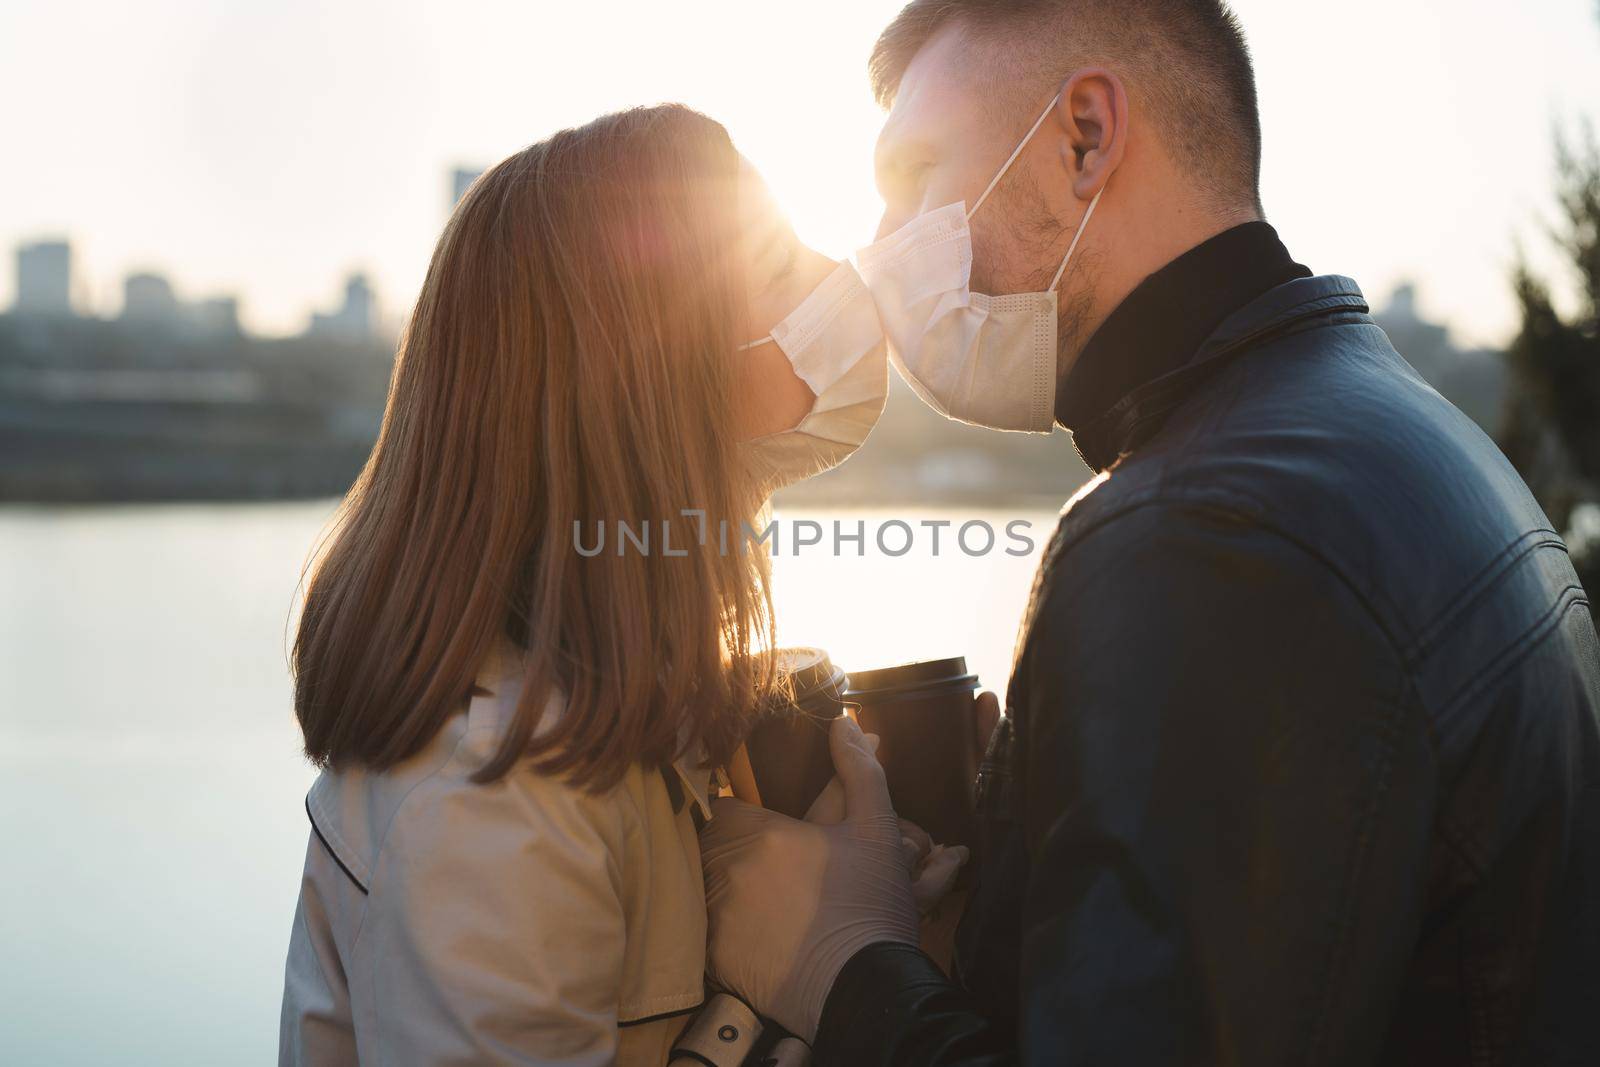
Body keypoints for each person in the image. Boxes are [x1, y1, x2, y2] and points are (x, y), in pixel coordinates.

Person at [698, 2, 1600, 1065]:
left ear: (1085, 135)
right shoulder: (1386, 419)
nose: (882, 251)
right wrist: (1017, 876)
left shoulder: (1204, 532)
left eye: (914, 180)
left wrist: (844, 965)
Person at [277, 103, 898, 1066]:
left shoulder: (609, 696)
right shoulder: (493, 800)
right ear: (654, 374)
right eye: (779, 271)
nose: (834, 291)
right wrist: (813, 988)